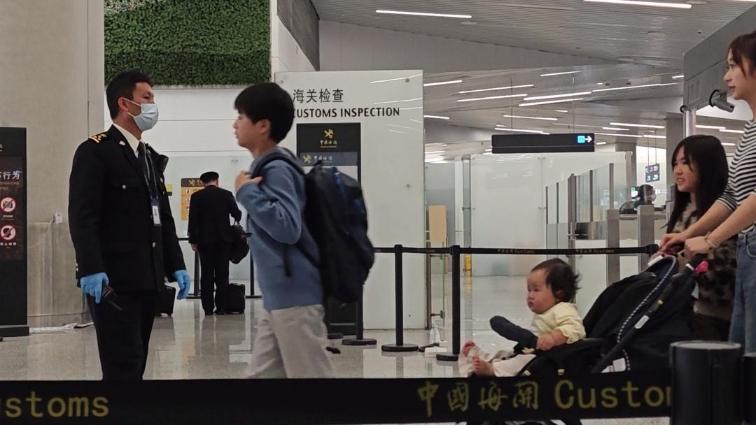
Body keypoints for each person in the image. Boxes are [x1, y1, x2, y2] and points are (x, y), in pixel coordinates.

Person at [68, 70, 190, 381]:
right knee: (122, 363)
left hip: (146, 278)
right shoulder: (96, 151)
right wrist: (90, 267)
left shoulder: (147, 156)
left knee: (137, 360)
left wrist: (175, 263)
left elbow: (162, 216)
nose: (153, 105)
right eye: (146, 97)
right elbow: (82, 215)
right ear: (124, 103)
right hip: (114, 281)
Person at [661, 30, 756, 354]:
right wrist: (688, 234)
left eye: (733, 65)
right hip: (748, 250)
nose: (727, 76)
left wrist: (712, 240)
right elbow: (731, 196)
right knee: (742, 350)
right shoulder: (750, 129)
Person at [232, 82, 332, 378]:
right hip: (279, 298)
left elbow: (288, 227)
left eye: (241, 117)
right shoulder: (269, 166)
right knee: (261, 381)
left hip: (295, 298)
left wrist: (245, 193)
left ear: (263, 125)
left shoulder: (277, 169)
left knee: (313, 382)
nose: (235, 124)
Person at [459, 258, 585, 377]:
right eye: (529, 290)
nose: (530, 295)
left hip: (551, 357)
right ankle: (483, 358)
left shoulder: (563, 309)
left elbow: (575, 329)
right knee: (508, 354)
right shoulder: (548, 310)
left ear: (558, 293)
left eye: (536, 290)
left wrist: (553, 338)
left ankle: (492, 370)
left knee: (519, 362)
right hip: (536, 352)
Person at [665, 135, 735, 341]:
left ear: (707, 165)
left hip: (717, 317)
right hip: (684, 312)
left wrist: (686, 261)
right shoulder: (684, 210)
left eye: (685, 162)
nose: (677, 170)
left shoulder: (728, 217)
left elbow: (729, 272)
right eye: (675, 163)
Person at [188, 171, 242, 315]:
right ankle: (221, 307)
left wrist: (193, 240)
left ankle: (207, 308)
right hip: (224, 241)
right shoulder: (226, 194)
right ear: (217, 181)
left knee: (206, 275)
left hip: (204, 241)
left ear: (202, 183)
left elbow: (192, 220)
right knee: (222, 275)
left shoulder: (196, 196)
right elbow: (237, 214)